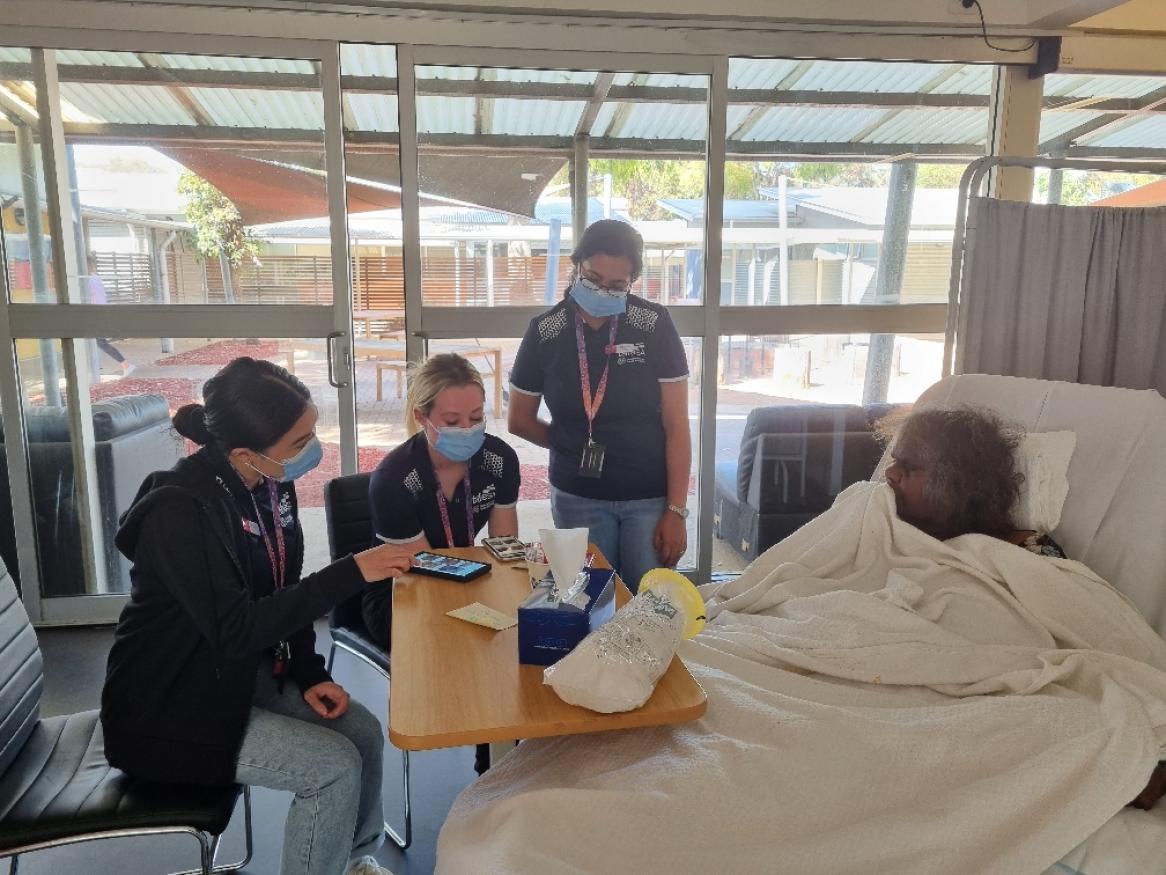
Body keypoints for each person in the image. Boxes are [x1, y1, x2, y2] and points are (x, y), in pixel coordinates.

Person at [100, 356, 415, 875]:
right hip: (169, 713)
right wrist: (353, 570)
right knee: (332, 769)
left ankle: (355, 861)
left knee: (360, 731)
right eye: (299, 443)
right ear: (246, 452)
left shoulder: (269, 485)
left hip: (240, 683)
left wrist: (308, 671)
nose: (313, 451)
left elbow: (284, 588)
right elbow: (238, 629)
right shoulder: (180, 512)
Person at [507, 219, 691, 593]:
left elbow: (677, 426)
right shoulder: (546, 331)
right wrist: (569, 445)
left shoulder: (653, 324)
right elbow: (519, 420)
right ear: (576, 267)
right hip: (578, 497)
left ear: (631, 283)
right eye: (592, 278)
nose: (602, 291)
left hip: (648, 496)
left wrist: (676, 511)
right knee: (590, 603)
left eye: (616, 286)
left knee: (647, 605)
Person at [364, 353, 520, 649]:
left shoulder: (500, 460)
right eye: (451, 421)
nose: (467, 429)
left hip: (469, 577)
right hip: (403, 590)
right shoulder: (394, 478)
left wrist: (511, 596)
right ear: (421, 417)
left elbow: (505, 549)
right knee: (457, 643)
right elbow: (425, 570)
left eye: (476, 418)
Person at [879, 404, 1064, 553]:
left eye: (910, 466)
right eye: (895, 460)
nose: (889, 472)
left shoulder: (1028, 549)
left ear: (960, 484)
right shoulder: (879, 523)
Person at [87, 252, 134, 376]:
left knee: (99, 342)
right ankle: (125, 365)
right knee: (97, 342)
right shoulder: (96, 278)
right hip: (99, 314)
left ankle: (125, 365)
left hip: (95, 315)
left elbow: (93, 299)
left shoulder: (89, 280)